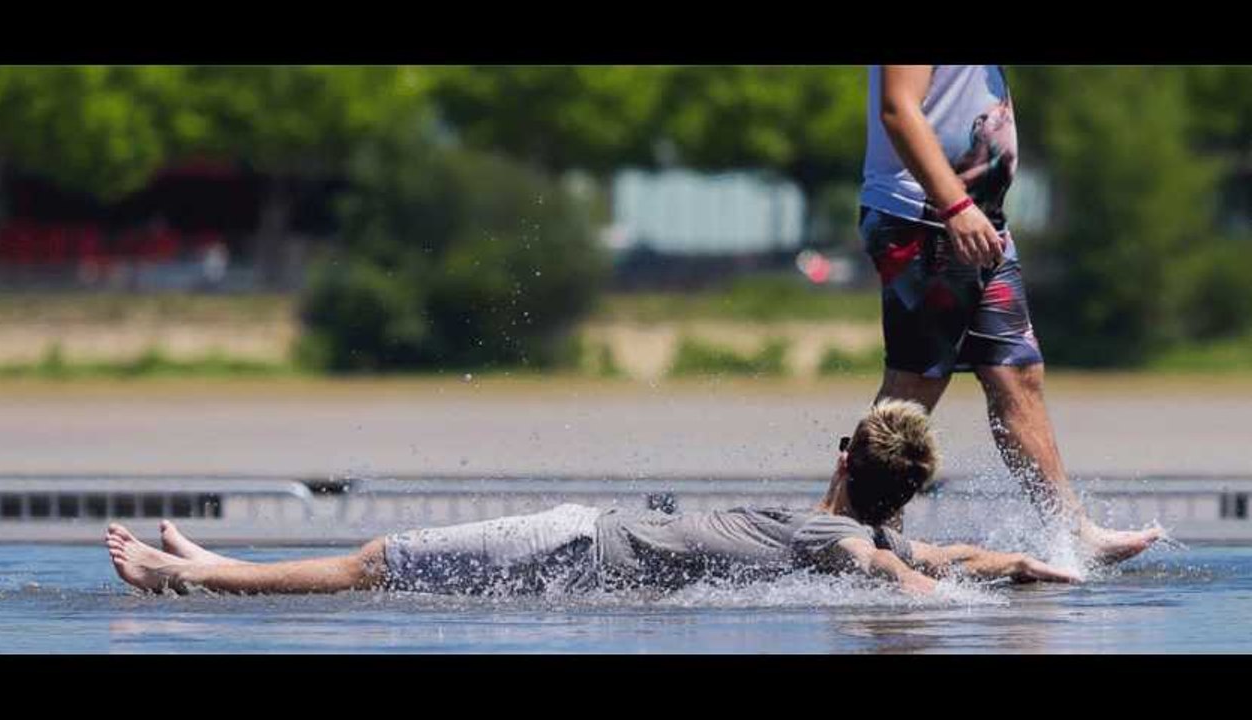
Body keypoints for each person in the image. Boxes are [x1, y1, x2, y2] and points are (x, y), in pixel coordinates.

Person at [106, 400, 1081, 598]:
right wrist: (1021, 569)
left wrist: (950, 599)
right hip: (576, 548)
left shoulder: (836, 534)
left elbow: (905, 573)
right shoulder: (856, 539)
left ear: (842, 455)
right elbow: (933, 561)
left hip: (570, 543)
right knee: (380, 566)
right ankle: (209, 568)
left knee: (377, 561)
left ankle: (193, 575)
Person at [859, 65, 1162, 562]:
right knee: (913, 386)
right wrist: (955, 207)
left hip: (983, 224)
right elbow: (898, 109)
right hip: (926, 218)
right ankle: (851, 527)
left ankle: (1070, 531)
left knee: (1018, 374)